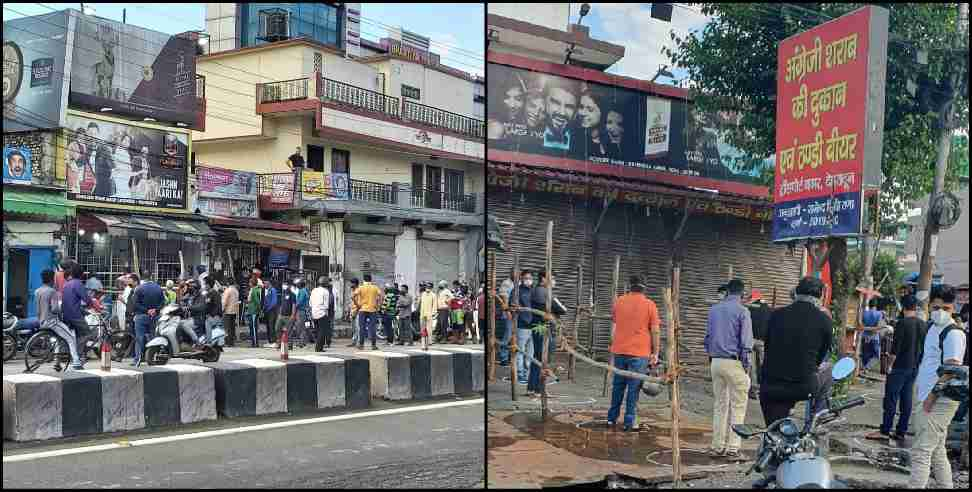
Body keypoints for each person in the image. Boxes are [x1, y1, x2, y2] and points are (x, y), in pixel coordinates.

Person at [908, 284, 967, 489]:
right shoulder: (933, 328)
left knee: (921, 451)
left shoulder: (954, 334)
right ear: (930, 306)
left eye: (946, 308)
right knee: (936, 450)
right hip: (927, 395)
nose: (940, 312)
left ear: (954, 308)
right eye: (936, 307)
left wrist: (931, 397)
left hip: (940, 399)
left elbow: (951, 370)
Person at [760, 277, 833, 427]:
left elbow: (768, 346)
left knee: (773, 430)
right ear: (819, 296)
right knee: (829, 369)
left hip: (771, 385)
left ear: (796, 292)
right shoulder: (824, 320)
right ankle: (817, 420)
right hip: (803, 386)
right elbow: (821, 355)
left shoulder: (776, 315)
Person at [704, 278, 753, 459]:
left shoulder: (714, 310)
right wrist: (746, 367)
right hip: (734, 362)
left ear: (727, 292)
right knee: (738, 406)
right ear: (742, 294)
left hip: (715, 362)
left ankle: (717, 446)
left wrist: (712, 357)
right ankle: (733, 448)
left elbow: (707, 339)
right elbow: (746, 343)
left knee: (720, 405)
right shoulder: (743, 311)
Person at [867, 294, 925, 442]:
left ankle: (885, 430)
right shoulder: (922, 324)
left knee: (891, 399)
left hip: (899, 367)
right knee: (906, 399)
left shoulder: (902, 323)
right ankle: (901, 431)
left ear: (903, 307)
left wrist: (889, 366)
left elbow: (895, 350)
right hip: (914, 367)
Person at [607, 275, 662, 431]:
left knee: (618, 385)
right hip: (639, 352)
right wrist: (656, 352)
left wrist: (613, 345)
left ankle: (611, 419)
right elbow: (655, 331)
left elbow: (614, 326)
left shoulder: (619, 301)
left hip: (619, 350)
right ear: (645, 287)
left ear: (629, 286)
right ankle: (629, 422)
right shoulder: (649, 304)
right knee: (634, 388)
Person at [58, 261, 94, 371]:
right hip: (75, 315)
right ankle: (77, 356)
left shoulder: (66, 284)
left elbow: (71, 301)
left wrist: (84, 310)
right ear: (80, 274)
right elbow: (87, 299)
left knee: (78, 335)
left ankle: (77, 357)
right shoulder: (78, 283)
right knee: (88, 334)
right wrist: (91, 304)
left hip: (66, 314)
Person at [131, 276, 164, 367]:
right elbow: (163, 302)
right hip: (154, 316)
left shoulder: (139, 288)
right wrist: (155, 310)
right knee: (153, 337)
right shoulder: (158, 288)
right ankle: (152, 357)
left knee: (139, 338)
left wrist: (146, 310)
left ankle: (137, 359)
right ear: (151, 277)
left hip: (141, 316)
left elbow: (135, 303)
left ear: (143, 279)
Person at [746, 289, 773, 400]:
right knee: (763, 365)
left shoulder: (748, 308)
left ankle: (753, 389)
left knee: (751, 365)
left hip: (750, 339)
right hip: (763, 341)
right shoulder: (769, 309)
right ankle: (763, 389)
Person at [353, 274, 383, 350]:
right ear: (371, 280)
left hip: (362, 309)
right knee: (372, 328)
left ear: (364, 280)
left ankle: (361, 345)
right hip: (372, 310)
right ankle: (373, 345)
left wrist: (357, 305)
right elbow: (381, 296)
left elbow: (352, 296)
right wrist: (378, 305)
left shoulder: (361, 287)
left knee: (362, 328)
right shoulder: (375, 287)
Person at [858, 298, 885, 374]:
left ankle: (864, 368)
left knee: (865, 355)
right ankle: (866, 368)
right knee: (876, 356)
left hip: (864, 336)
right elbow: (878, 327)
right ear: (876, 305)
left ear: (869, 305)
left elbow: (861, 326)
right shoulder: (879, 314)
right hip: (874, 338)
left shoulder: (864, 313)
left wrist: (865, 329)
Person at [311, 276, 332, 352]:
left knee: (317, 331)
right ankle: (319, 348)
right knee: (322, 331)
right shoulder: (326, 291)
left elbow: (310, 303)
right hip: (322, 313)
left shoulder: (314, 290)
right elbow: (326, 305)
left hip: (314, 313)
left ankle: (318, 346)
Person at [276, 279, 295, 350]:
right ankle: (280, 343)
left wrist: (293, 315)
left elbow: (294, 305)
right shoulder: (283, 294)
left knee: (289, 331)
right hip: (281, 315)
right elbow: (281, 305)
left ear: (289, 286)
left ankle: (289, 345)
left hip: (288, 316)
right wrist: (279, 314)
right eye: (283, 284)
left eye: (286, 284)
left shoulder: (292, 295)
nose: (284, 286)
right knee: (277, 328)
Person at [293, 278, 311, 349]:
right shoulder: (305, 290)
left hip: (301, 311)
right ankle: (303, 342)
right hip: (304, 311)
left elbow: (299, 302)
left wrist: (294, 307)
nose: (297, 285)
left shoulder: (302, 291)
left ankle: (301, 343)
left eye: (298, 284)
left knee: (300, 327)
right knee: (304, 327)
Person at [245, 278, 263, 348]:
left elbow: (257, 301)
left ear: (252, 283)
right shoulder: (252, 290)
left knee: (254, 328)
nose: (249, 284)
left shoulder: (254, 290)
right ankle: (253, 342)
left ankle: (255, 343)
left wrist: (259, 310)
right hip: (251, 310)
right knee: (252, 327)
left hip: (254, 311)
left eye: (250, 282)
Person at [419, 282, 437, 350]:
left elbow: (434, 305)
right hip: (422, 314)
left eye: (429, 287)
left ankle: (429, 342)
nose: (427, 288)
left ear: (431, 288)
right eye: (426, 286)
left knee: (429, 330)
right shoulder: (423, 294)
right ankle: (423, 344)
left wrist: (433, 314)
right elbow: (421, 304)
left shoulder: (433, 295)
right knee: (423, 330)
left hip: (429, 315)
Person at [221, 281, 239, 347]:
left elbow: (224, 301)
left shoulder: (227, 290)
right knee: (232, 327)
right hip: (234, 311)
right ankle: (231, 342)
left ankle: (227, 342)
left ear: (228, 283)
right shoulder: (236, 291)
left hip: (228, 311)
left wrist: (222, 310)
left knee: (227, 328)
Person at [263, 280, 280, 345]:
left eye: (265, 284)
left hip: (272, 311)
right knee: (268, 326)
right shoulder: (268, 291)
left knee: (271, 325)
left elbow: (274, 302)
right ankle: (270, 340)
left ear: (268, 284)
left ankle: (273, 340)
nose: (264, 286)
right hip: (268, 310)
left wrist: (268, 308)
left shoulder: (273, 290)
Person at [347, 278, 361, 347]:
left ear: (355, 284)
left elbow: (359, 303)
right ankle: (354, 341)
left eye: (352, 283)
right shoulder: (352, 291)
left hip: (357, 311)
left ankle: (358, 342)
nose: (350, 284)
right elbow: (351, 302)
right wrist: (348, 311)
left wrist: (356, 311)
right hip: (352, 311)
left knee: (358, 327)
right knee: (353, 328)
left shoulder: (359, 291)